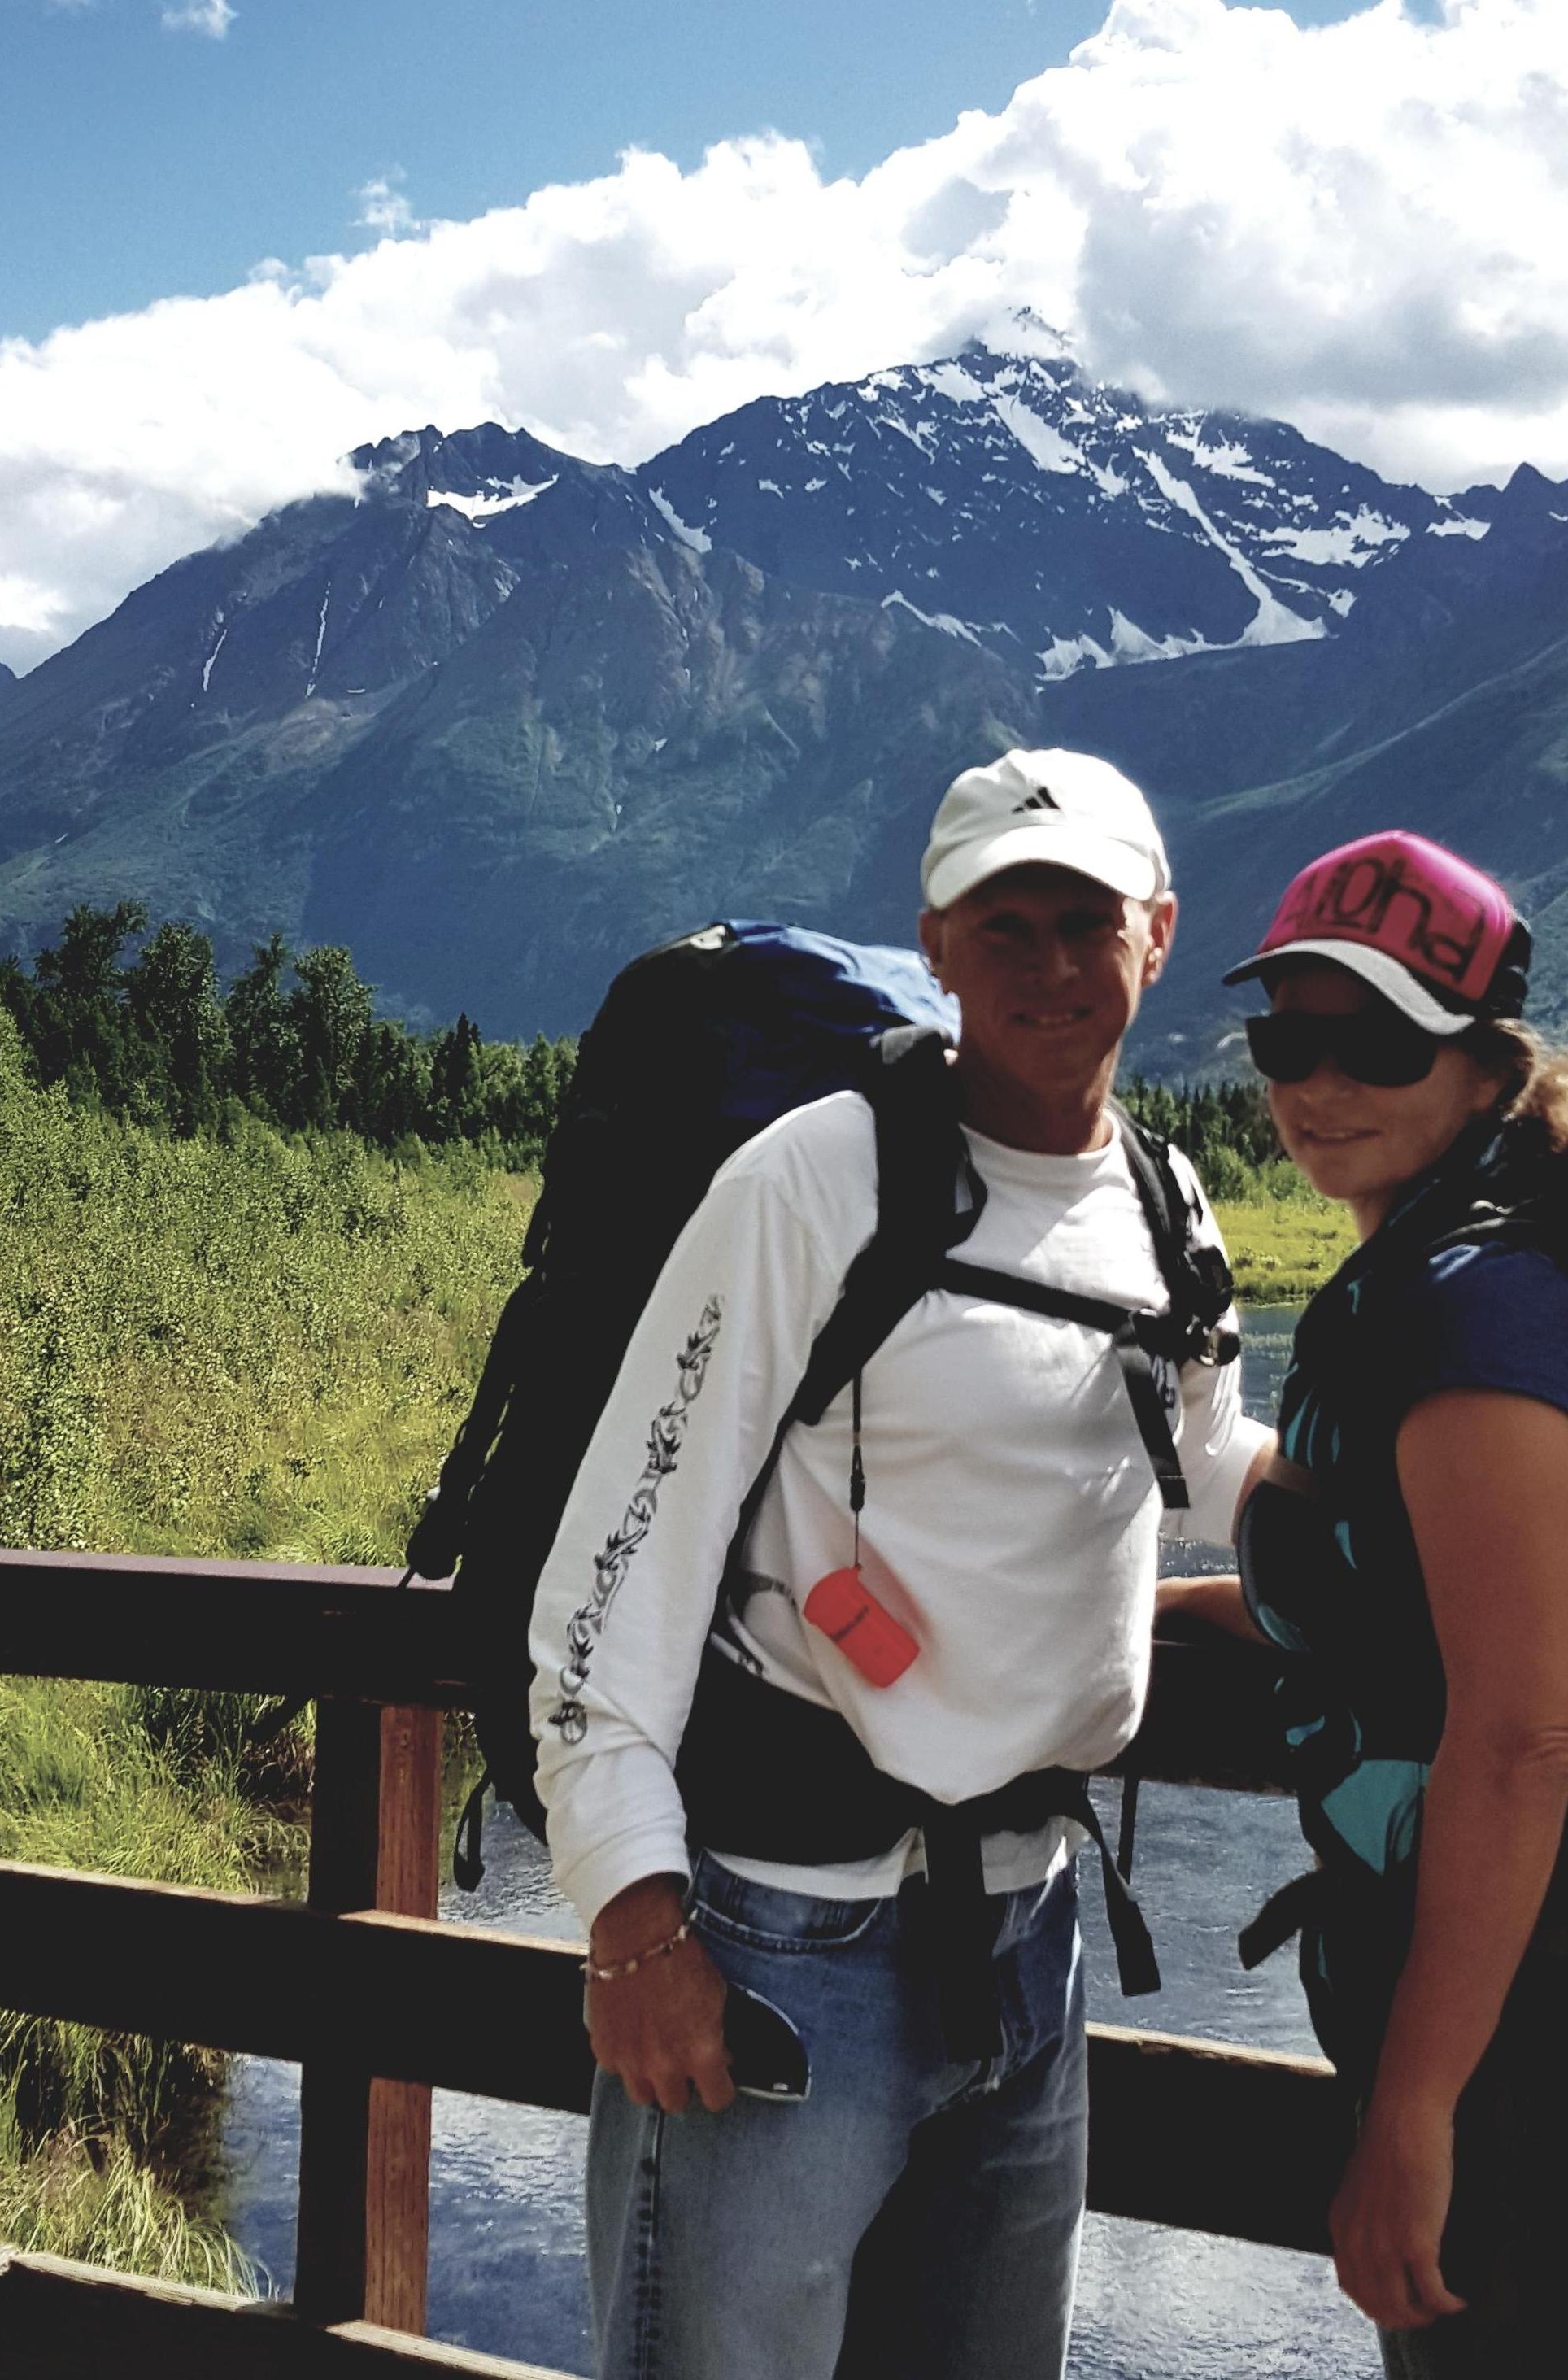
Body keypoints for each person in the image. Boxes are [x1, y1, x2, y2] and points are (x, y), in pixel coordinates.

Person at [526, 747, 1273, 2380]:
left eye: (1082, 922)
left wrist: (1381, 1537)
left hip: (1029, 1931)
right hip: (776, 1934)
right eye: (1001, 924)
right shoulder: (813, 1177)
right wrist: (633, 1920)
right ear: (933, 945)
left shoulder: (1162, 1194)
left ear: (1154, 931)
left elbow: (1207, 1450)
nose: (1047, 964)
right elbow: (621, 1551)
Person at [1163, 829, 1568, 2376]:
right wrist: (1167, 1615)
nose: (1317, 1080)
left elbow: (1517, 1733)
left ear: (1485, 1062)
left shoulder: (1480, 1314)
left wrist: (1413, 2113)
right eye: (1287, 1036)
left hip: (1559, 2052)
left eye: (1375, 1038)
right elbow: (1406, 1621)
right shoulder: (1428, 1281)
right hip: (1552, 2010)